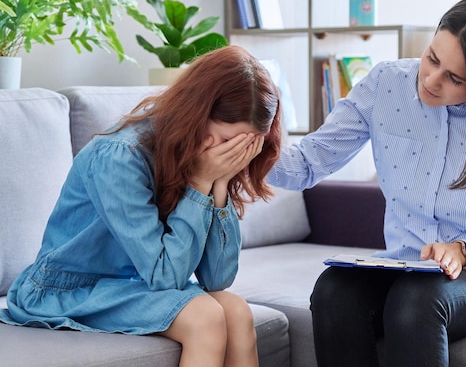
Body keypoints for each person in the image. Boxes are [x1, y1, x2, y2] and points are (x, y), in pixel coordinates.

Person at [267, 0, 466, 367]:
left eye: (454, 78)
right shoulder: (387, 84)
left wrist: (464, 251)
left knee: (416, 301)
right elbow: (307, 163)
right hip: (407, 269)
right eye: (432, 58)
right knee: (334, 290)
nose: (431, 80)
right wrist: (247, 149)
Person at [0, 45, 282, 367]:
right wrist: (200, 184)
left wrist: (219, 185)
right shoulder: (120, 156)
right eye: (229, 141)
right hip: (68, 289)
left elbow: (217, 279)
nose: (234, 154)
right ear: (196, 114)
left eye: (247, 147)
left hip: (133, 285)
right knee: (204, 316)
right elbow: (165, 277)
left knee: (236, 311)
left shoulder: (206, 159)